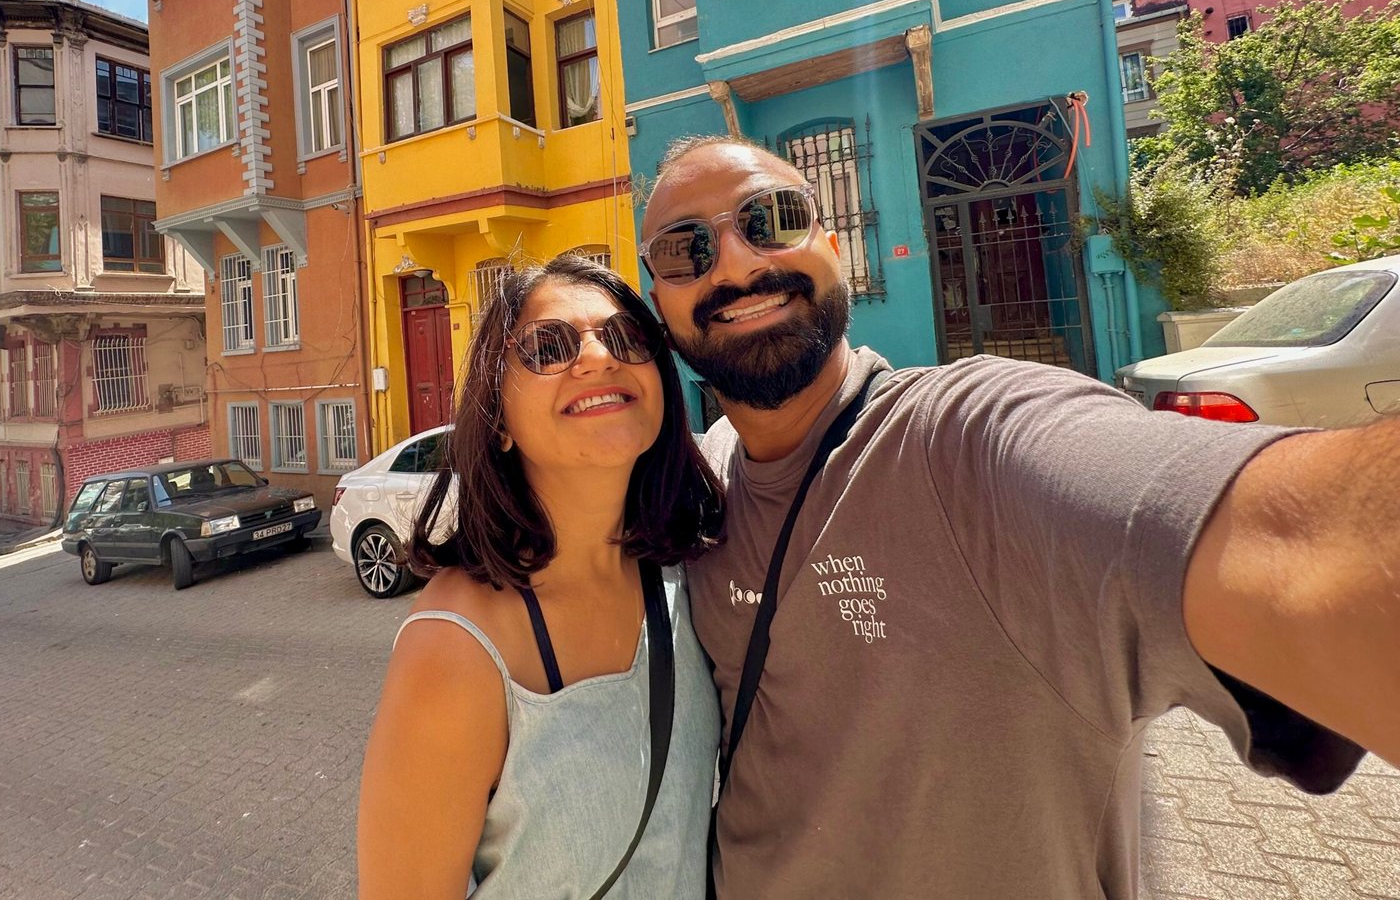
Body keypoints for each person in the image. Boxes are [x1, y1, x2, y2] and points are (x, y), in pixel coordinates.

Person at [639, 134, 1400, 900]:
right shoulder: (705, 481)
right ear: (658, 304)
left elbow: (1313, 543)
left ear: (834, 247)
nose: (733, 264)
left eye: (771, 218)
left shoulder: (968, 439)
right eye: (684, 249)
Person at [357, 255, 724, 899]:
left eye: (627, 338)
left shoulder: (689, 578)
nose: (600, 358)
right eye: (548, 347)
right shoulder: (454, 647)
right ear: (497, 420)